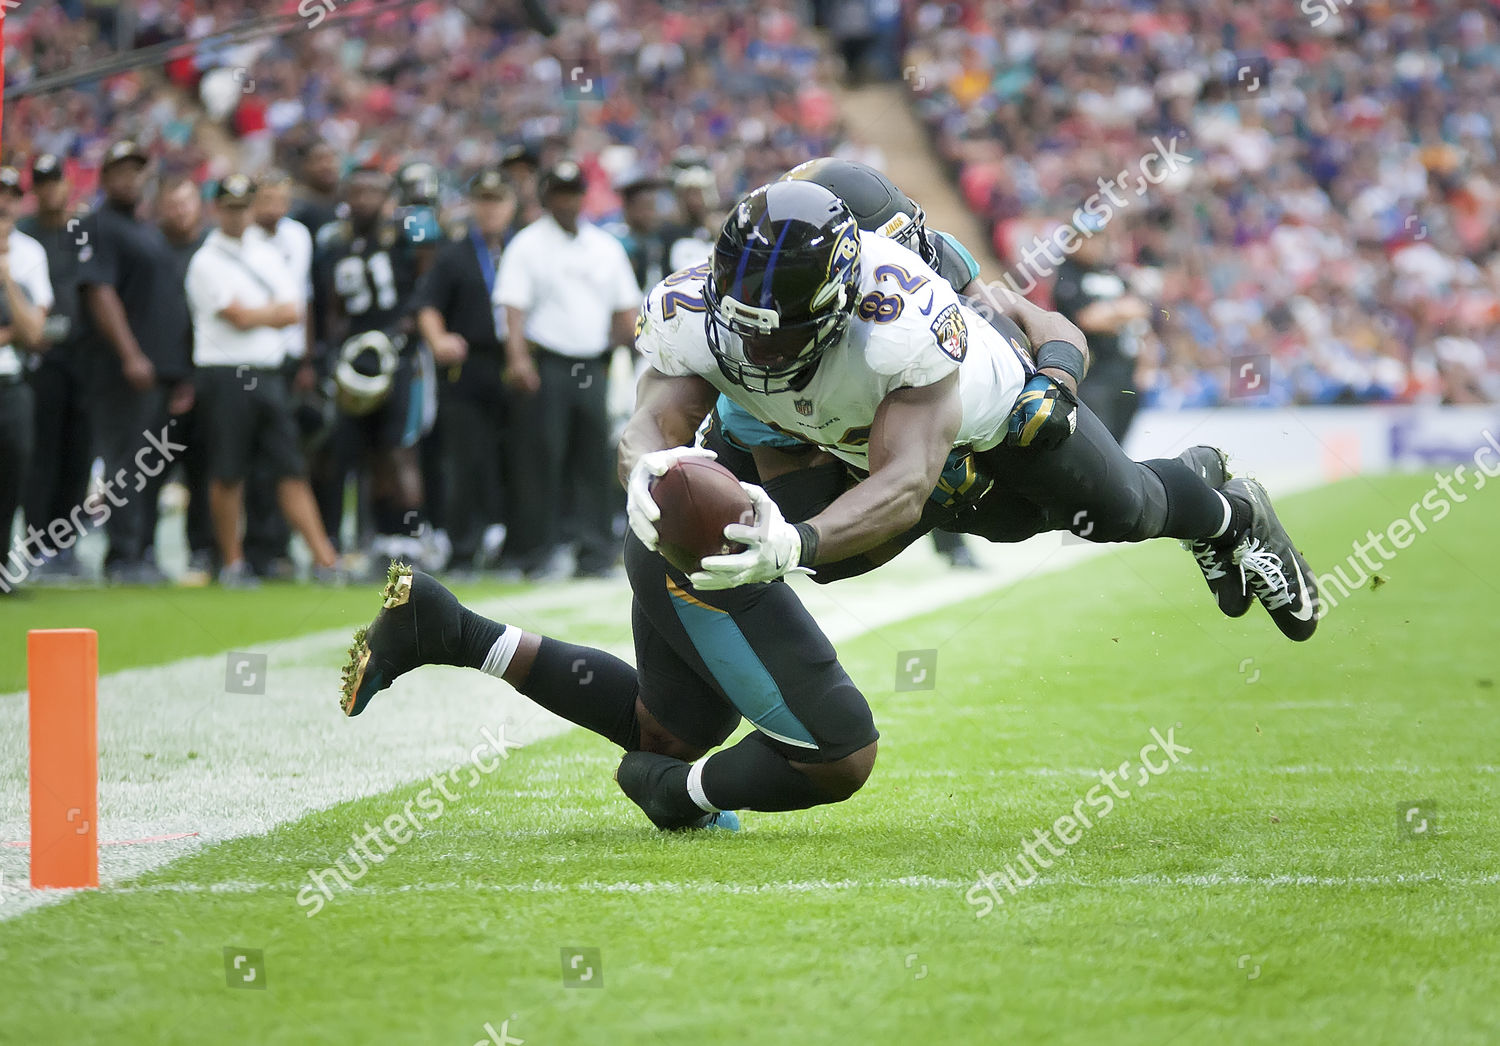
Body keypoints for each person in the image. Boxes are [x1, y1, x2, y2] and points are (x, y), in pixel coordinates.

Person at [627, 179, 1320, 636]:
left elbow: (903, 482)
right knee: (900, 542)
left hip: (989, 417)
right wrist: (642, 467)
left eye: (785, 331)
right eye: (746, 327)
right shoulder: (687, 308)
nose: (762, 350)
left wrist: (1055, 382)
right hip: (891, 447)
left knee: (1119, 513)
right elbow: (652, 421)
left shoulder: (906, 311)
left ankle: (1229, 513)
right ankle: (1189, 482)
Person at [184, 175, 342, 587]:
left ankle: (325, 560)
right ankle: (233, 562)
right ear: (216, 209)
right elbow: (238, 316)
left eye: (242, 206)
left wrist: (260, 313)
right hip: (225, 373)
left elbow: (293, 311)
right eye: (230, 207)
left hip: (268, 371)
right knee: (228, 471)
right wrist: (266, 313)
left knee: (290, 466)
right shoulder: (206, 260)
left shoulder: (266, 252)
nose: (237, 215)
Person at [495, 160, 640, 579]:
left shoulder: (604, 246)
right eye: (559, 192)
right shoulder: (528, 244)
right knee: (540, 457)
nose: (567, 200)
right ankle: (533, 552)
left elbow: (625, 308)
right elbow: (512, 307)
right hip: (548, 362)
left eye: (574, 192)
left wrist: (620, 346)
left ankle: (593, 551)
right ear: (546, 197)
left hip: (591, 363)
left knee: (593, 459)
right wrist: (518, 358)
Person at [76, 141, 194, 585]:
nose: (130, 179)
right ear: (105, 177)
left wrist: (178, 371)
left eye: (137, 171)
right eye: (120, 171)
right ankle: (123, 555)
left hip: (160, 371)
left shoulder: (145, 228)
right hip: (125, 370)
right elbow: (99, 292)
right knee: (128, 463)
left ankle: (140, 549)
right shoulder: (100, 225)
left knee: (151, 465)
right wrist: (131, 355)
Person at [312, 164, 430, 573]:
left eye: (372, 193)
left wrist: (402, 334)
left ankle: (409, 538)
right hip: (353, 360)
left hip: (397, 357)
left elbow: (426, 287)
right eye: (356, 192)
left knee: (398, 450)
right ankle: (345, 539)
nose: (364, 200)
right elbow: (331, 305)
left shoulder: (406, 235)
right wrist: (330, 354)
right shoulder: (333, 242)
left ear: (388, 198)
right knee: (345, 449)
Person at [412, 167, 516, 574]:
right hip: (468, 365)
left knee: (513, 459)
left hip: (515, 362)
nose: (491, 211)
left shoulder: (522, 248)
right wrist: (437, 340)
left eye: (498, 202)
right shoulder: (454, 254)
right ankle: (462, 547)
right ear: (473, 206)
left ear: (511, 206)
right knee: (465, 458)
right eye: (484, 202)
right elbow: (426, 304)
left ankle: (510, 544)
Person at [241, 169, 316, 579]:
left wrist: (305, 358)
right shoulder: (244, 239)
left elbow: (305, 297)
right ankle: (257, 548)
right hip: (254, 357)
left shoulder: (297, 236)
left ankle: (280, 544)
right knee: (253, 458)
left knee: (287, 456)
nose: (273, 207)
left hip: (286, 357)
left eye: (279, 199)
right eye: (266, 198)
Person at [20, 154, 91, 584]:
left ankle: (66, 546)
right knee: (42, 452)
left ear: (67, 184)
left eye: (56, 181)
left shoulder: (82, 229)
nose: (50, 190)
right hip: (40, 356)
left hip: (81, 355)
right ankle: (36, 544)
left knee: (78, 454)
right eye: (42, 183)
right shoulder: (25, 234)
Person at [154, 173, 214, 584]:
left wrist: (194, 378)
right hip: (157, 377)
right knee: (148, 468)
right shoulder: (149, 249)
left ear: (199, 206)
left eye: (186, 202)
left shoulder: (211, 251)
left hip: (206, 375)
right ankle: (136, 552)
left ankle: (203, 553)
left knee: (204, 469)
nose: (180, 210)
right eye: (172, 203)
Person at [0, 165, 55, 592]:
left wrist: (4, 273)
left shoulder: (28, 253)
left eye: (10, 196)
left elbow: (34, 333)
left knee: (14, 467)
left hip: (11, 378)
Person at [1052, 214, 1153, 443]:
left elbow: (1141, 314)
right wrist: (1121, 311)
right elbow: (1087, 319)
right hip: (1094, 377)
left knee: (1120, 443)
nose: (1094, 245)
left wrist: (1147, 362)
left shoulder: (1114, 272)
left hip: (1126, 375)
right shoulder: (1068, 275)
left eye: (1098, 238)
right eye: (1086, 238)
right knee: (1102, 445)